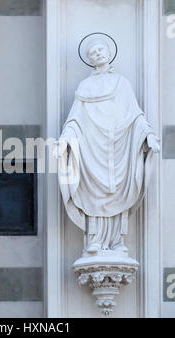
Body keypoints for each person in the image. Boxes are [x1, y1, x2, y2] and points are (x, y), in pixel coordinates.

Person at [57, 38, 160, 253]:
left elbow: (134, 113)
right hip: (92, 147)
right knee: (94, 193)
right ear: (89, 60)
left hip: (119, 143)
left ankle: (117, 241)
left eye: (100, 49)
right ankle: (95, 239)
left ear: (109, 51)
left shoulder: (121, 82)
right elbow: (75, 118)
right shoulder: (85, 86)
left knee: (118, 193)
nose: (97, 54)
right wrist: (66, 138)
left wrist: (148, 134)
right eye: (92, 53)